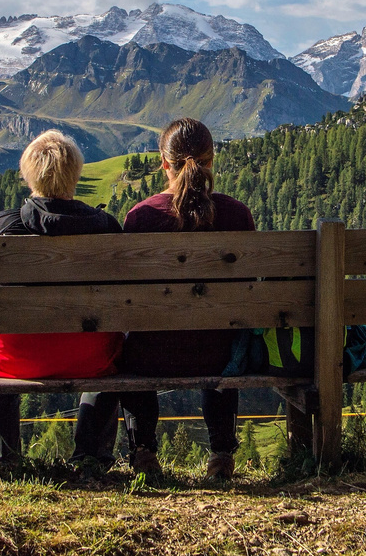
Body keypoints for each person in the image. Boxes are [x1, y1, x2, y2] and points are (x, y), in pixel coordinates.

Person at [0, 130, 158, 473]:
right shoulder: (106, 228)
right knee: (111, 346)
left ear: (28, 175)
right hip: (87, 356)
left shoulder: (0, 227)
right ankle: (90, 454)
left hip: (15, 358)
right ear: (75, 176)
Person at [92, 117, 254, 480]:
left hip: (152, 355)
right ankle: (221, 456)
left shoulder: (140, 217)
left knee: (133, 338)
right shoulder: (237, 215)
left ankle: (144, 452)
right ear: (211, 162)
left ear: (164, 164)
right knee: (226, 333)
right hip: (221, 356)